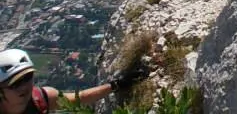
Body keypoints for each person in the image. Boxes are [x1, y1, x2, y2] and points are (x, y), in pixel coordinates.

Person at [0, 48, 146, 113]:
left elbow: (80, 98)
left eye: (27, 77)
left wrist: (117, 84)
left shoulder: (43, 98)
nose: (24, 87)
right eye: (15, 84)